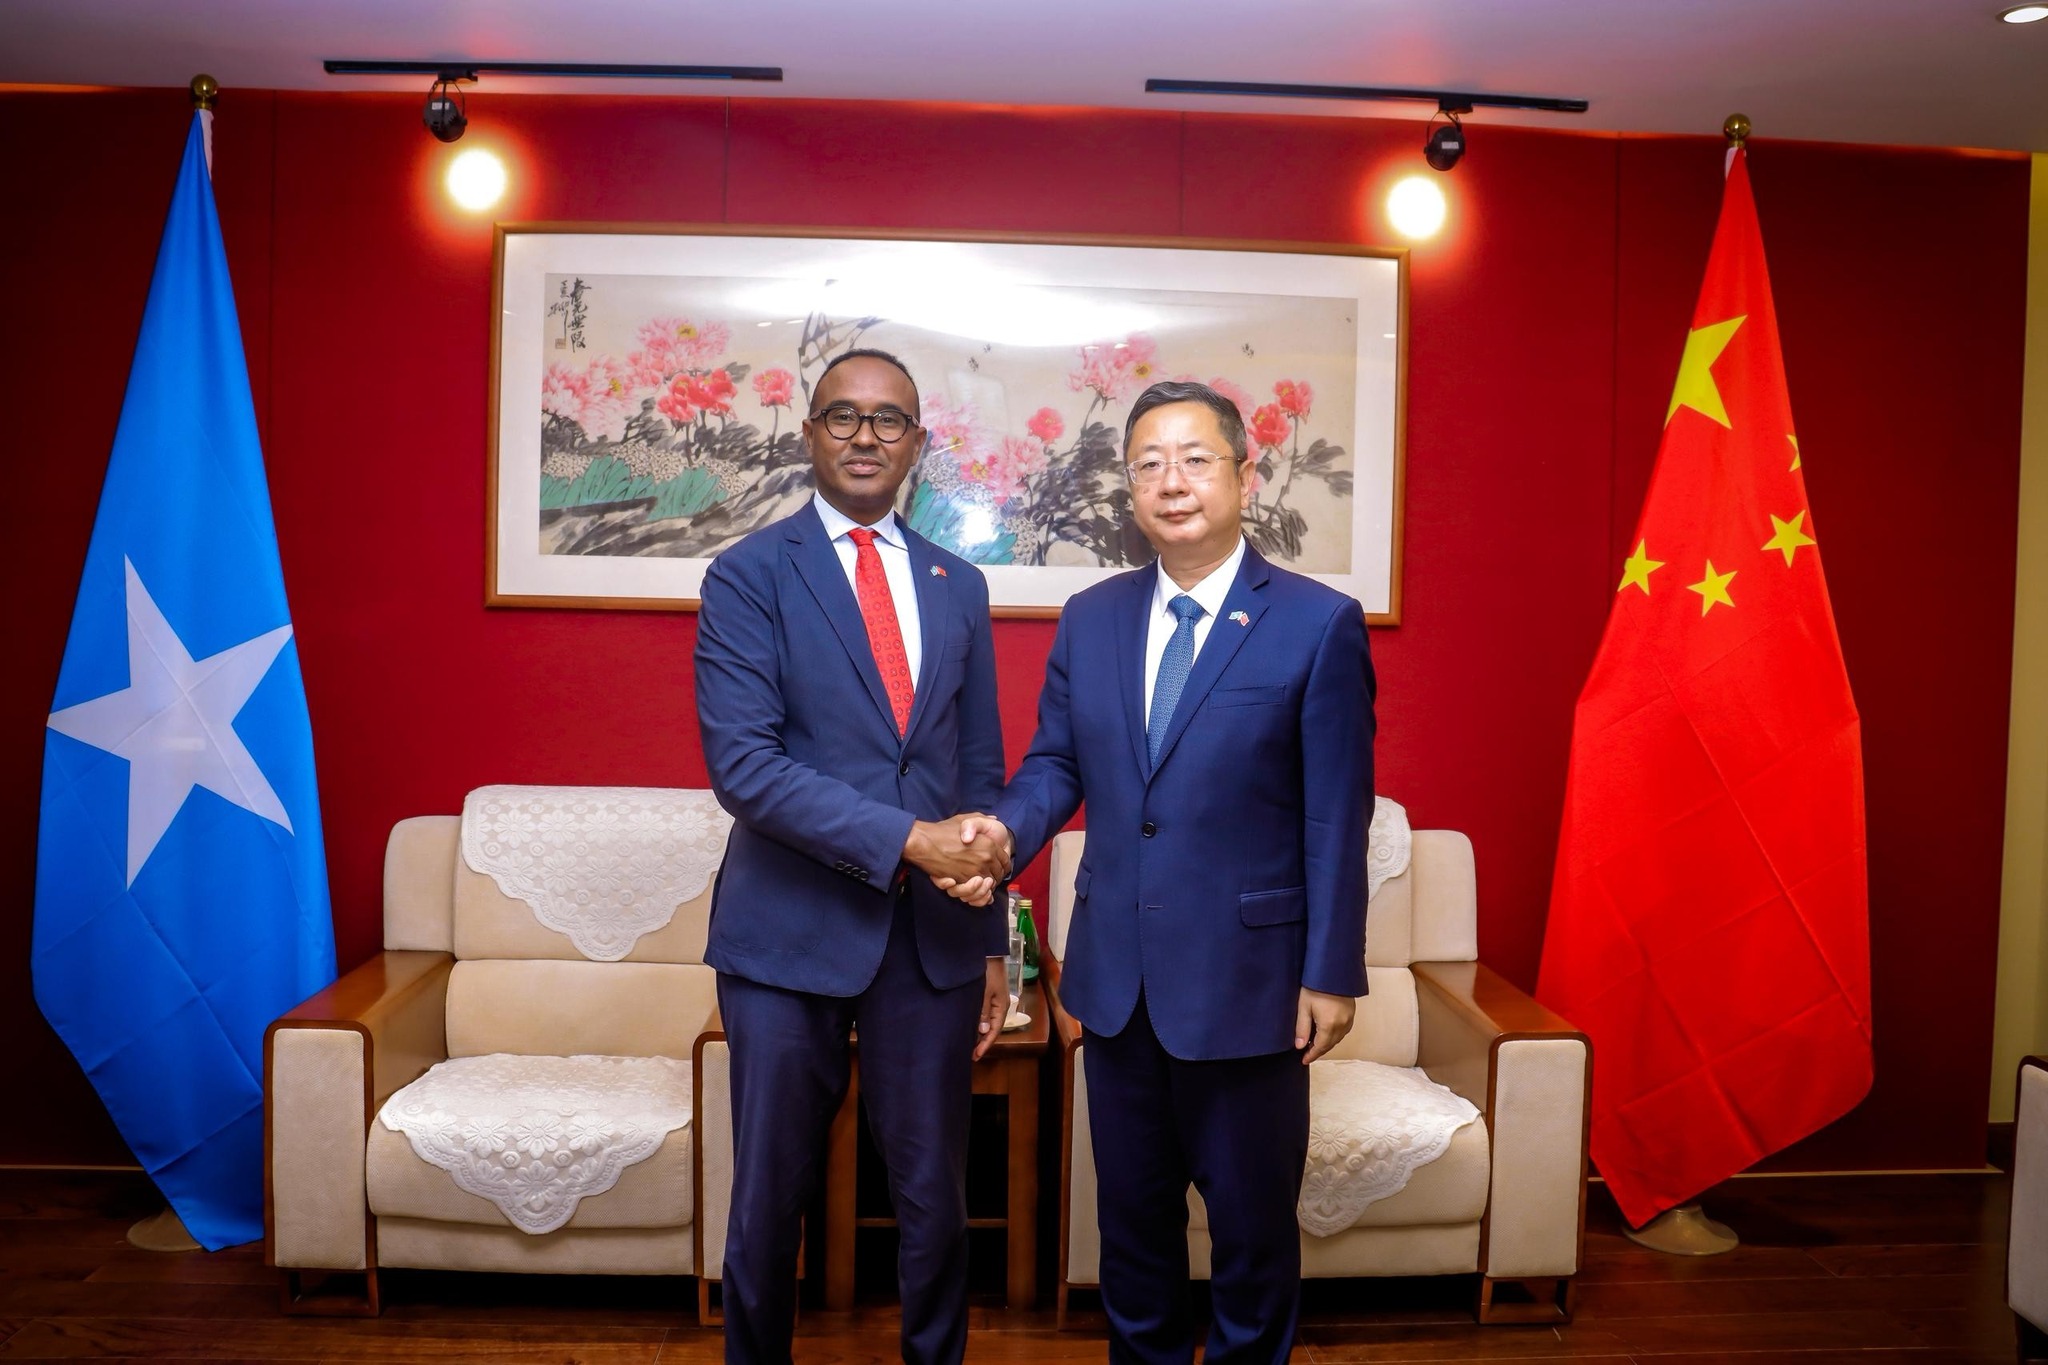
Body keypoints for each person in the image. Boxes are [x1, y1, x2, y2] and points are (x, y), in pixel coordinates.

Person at [949, 380, 1376, 1364]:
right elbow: (1056, 762)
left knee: (1252, 1244)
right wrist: (999, 837)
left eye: (1194, 459)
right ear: (1129, 489)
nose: (1171, 481)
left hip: (1251, 988)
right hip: (1117, 985)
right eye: (1148, 464)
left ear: (1244, 476)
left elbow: (1334, 812)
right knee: (1132, 1240)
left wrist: (1331, 971)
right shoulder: (1091, 618)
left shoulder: (1316, 623)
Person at [694, 348, 1014, 1365]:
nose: (865, 435)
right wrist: (907, 841)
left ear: (917, 443)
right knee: (768, 1199)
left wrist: (993, 937)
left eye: (888, 420)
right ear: (809, 434)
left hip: (932, 943)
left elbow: (977, 768)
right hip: (786, 936)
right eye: (843, 415)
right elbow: (745, 768)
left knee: (935, 1200)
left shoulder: (958, 584)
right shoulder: (748, 574)